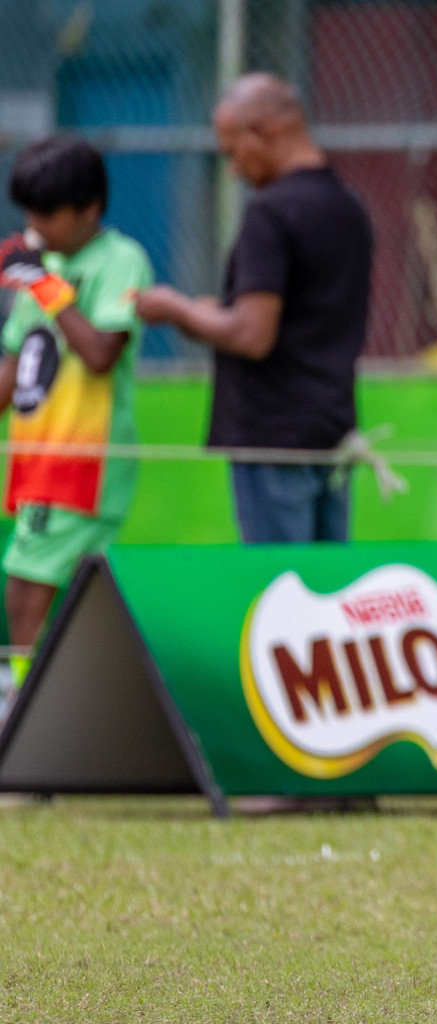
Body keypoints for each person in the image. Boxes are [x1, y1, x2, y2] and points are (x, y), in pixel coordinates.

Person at [135, 73, 373, 543]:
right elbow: (304, 311)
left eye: (231, 150)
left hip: (273, 435)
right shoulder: (349, 206)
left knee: (280, 586)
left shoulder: (271, 212)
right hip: (331, 428)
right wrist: (218, 310)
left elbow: (252, 334)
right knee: (329, 589)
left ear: (261, 131)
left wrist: (177, 309)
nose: (233, 168)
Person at [0, 136, 151, 688]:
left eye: (49, 213)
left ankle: (21, 701)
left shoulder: (120, 259)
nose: (35, 224)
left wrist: (45, 284)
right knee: (75, 587)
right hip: (35, 454)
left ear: (90, 209)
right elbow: (16, 363)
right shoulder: (45, 265)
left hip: (84, 459)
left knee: (26, 579)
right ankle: (59, 699)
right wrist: (38, 278)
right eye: (29, 212)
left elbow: (100, 353)